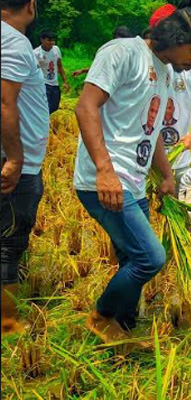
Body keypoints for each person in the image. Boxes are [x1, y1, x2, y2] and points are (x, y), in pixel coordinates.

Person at [73, 6, 191, 343]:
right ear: (175, 37)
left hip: (135, 180)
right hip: (106, 181)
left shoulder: (168, 72)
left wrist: (166, 176)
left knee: (130, 256)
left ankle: (121, 328)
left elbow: (150, 133)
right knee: (150, 257)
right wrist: (105, 172)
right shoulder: (123, 52)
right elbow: (85, 106)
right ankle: (102, 316)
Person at [1, 0, 49, 335]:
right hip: (16, 163)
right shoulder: (15, 42)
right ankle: (7, 321)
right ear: (30, 6)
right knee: (9, 241)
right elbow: (5, 102)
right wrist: (16, 158)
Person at [149, 6, 191, 187]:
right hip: (146, 157)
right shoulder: (149, 67)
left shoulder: (189, 69)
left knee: (180, 203)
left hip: (179, 157)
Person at [71, 26, 136, 78]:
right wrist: (83, 70)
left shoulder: (111, 51)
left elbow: (102, 68)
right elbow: (103, 67)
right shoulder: (135, 52)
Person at [34, 29, 69, 114]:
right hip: (43, 84)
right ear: (42, 40)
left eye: (53, 40)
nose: (51, 43)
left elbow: (59, 65)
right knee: (45, 108)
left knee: (54, 107)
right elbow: (34, 71)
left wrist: (65, 81)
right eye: (49, 40)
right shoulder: (36, 53)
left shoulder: (56, 49)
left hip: (54, 83)